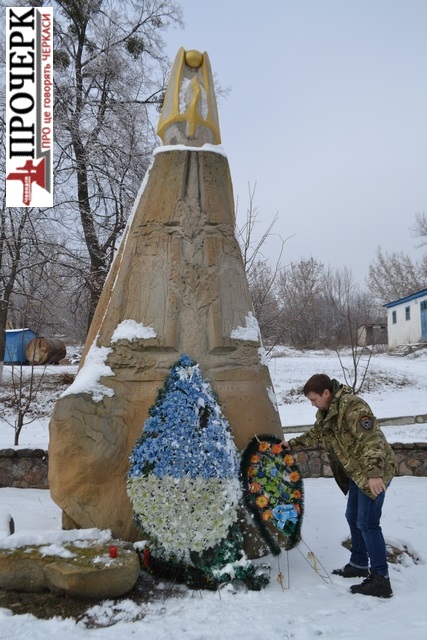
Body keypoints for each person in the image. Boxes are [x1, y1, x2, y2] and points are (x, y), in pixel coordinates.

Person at [283, 373, 395, 598]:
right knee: (352, 516)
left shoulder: (353, 407)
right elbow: (317, 434)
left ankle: (381, 579)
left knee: (368, 523)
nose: (312, 404)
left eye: (314, 399)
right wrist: (291, 444)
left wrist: (374, 474)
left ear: (326, 393)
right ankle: (359, 563)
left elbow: (372, 440)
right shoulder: (327, 412)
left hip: (374, 471)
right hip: (357, 472)